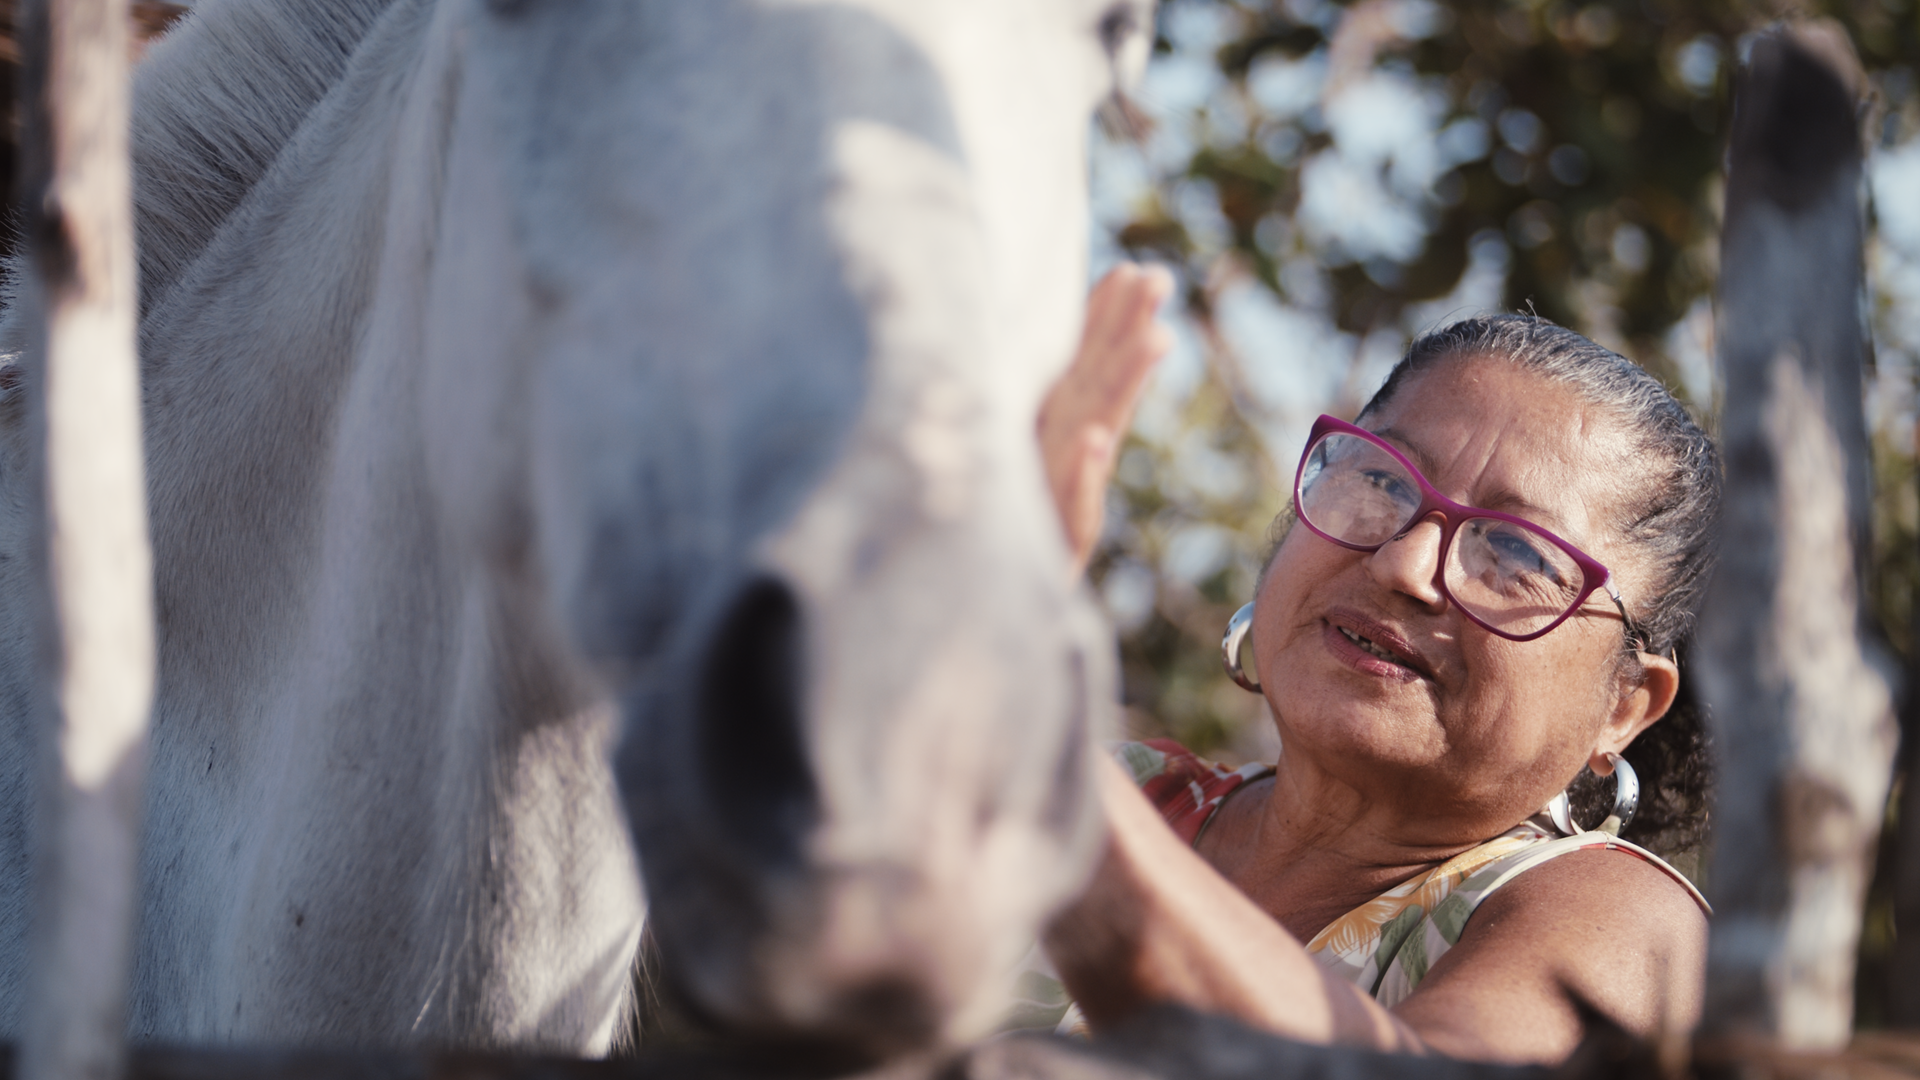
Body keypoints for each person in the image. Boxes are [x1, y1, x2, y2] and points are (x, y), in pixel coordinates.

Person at [1031, 267, 1720, 1064]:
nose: (1404, 564)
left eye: (1516, 551)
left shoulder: (1623, 927)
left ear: (1625, 707)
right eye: (1381, 479)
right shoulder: (1127, 790)